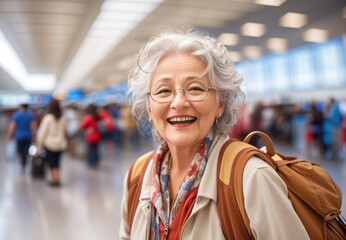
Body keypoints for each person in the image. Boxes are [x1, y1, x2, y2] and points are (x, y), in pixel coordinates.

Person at [119, 29, 309, 239]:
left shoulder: (251, 177)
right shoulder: (137, 175)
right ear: (149, 108)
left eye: (195, 89)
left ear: (220, 103)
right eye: (163, 91)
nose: (179, 102)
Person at [36, 99, 67, 187]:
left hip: (50, 144)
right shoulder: (62, 118)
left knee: (51, 162)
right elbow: (65, 131)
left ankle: (53, 179)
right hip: (61, 143)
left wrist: (39, 143)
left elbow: (42, 132)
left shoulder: (48, 117)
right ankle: (58, 179)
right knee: (57, 162)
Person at [6, 103, 37, 172]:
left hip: (19, 136)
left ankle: (22, 164)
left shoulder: (16, 114)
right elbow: (33, 126)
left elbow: (12, 126)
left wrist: (9, 135)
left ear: (21, 107)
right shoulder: (30, 115)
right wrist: (34, 136)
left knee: (20, 151)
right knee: (26, 151)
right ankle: (24, 162)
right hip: (28, 136)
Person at [81, 104, 101, 168]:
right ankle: (96, 161)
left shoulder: (88, 117)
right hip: (97, 135)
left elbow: (83, 126)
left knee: (91, 149)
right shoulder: (98, 116)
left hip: (91, 136)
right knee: (96, 149)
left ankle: (91, 162)